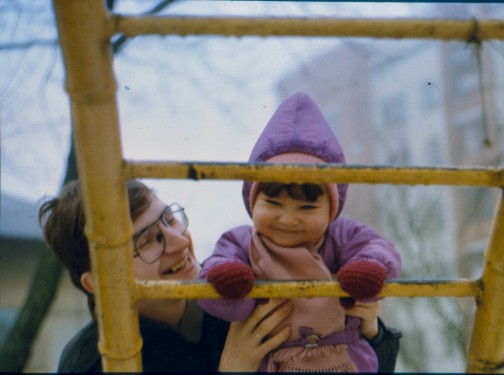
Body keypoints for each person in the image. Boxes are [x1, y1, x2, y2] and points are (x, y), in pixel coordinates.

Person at [198, 92, 402, 372]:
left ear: (331, 209)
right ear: (252, 200)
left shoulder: (341, 234)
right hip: (274, 361)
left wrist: (366, 268)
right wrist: (231, 284)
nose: (288, 218)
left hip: (344, 356)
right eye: (273, 202)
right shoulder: (242, 242)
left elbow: (379, 249)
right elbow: (215, 276)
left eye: (306, 207)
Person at [39, 179, 293, 372]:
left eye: (170, 220)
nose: (180, 242)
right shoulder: (93, 364)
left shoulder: (240, 300)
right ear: (97, 283)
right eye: (147, 240)